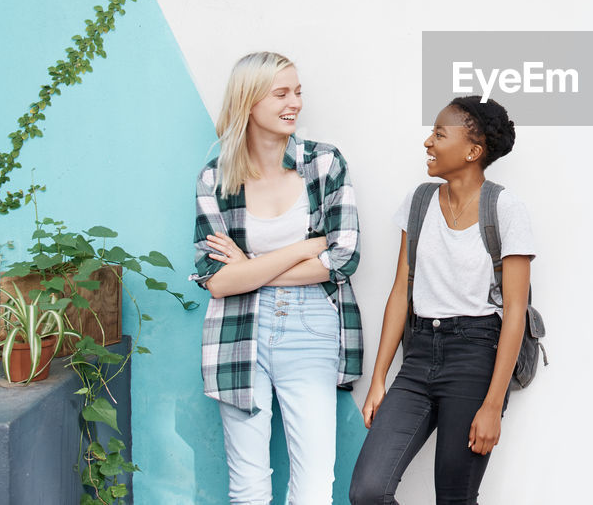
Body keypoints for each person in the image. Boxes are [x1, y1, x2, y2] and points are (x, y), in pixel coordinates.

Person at [190, 51, 363, 504]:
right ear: (248, 102)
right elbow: (217, 281)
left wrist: (248, 268)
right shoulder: (215, 178)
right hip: (235, 326)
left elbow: (344, 258)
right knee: (247, 484)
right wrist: (305, 247)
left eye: (298, 92)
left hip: (311, 325)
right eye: (281, 93)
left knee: (313, 486)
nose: (295, 103)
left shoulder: (324, 164)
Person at [349, 97, 535, 505]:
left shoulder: (505, 208)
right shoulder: (419, 202)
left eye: (438, 133)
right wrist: (380, 378)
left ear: (472, 151)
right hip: (417, 359)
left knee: (454, 499)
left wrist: (492, 404)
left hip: (475, 357)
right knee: (368, 492)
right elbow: (401, 291)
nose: (427, 143)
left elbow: (514, 316)